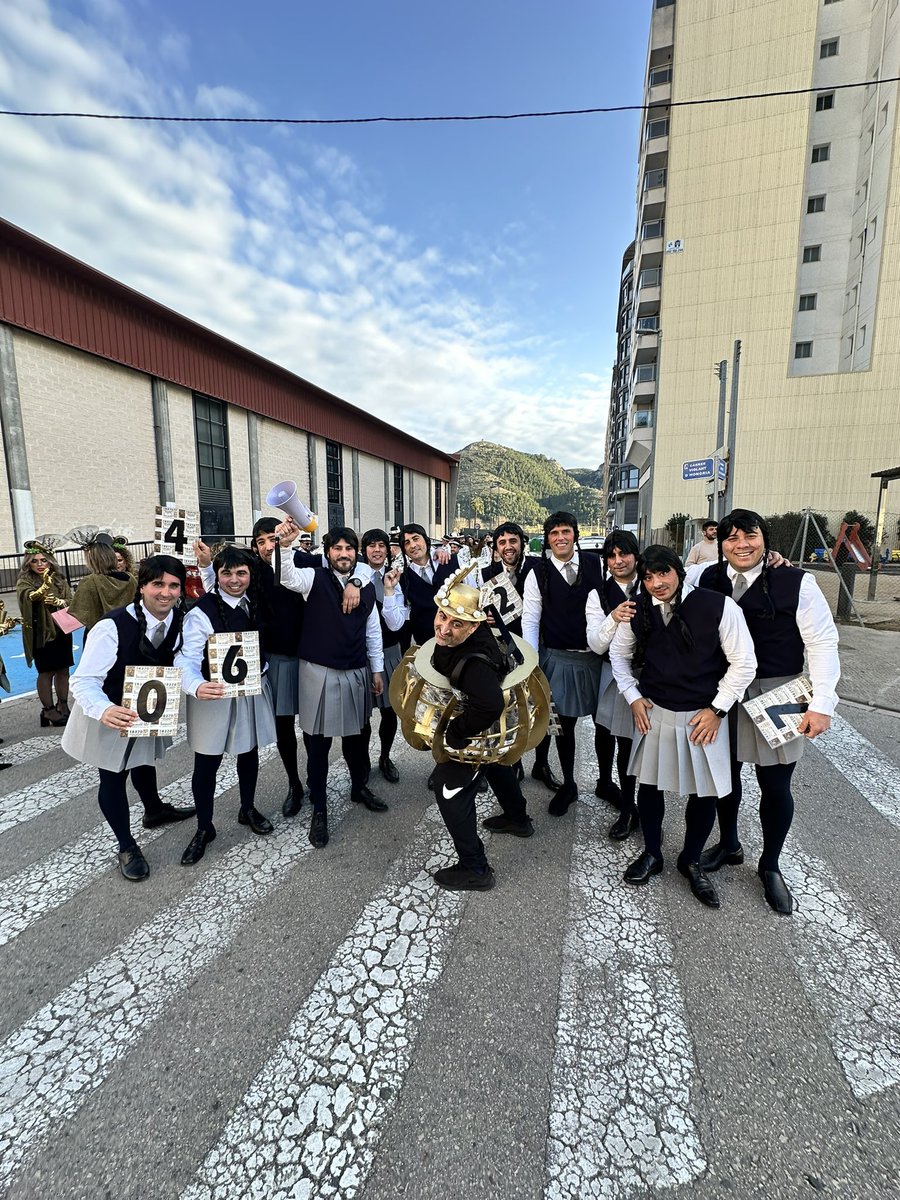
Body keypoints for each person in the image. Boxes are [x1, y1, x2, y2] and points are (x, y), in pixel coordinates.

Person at [692, 510, 841, 915]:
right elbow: (664, 581)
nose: (741, 544)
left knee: (776, 786)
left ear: (765, 540)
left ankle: (770, 865)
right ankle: (729, 843)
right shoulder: (706, 577)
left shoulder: (797, 582)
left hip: (779, 691)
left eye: (750, 536)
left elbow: (823, 643)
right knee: (726, 777)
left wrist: (822, 703)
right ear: (719, 544)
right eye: (731, 537)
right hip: (722, 692)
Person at [610, 545, 757, 908]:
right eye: (647, 577)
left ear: (678, 570)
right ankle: (653, 853)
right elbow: (618, 655)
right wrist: (631, 695)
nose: (656, 583)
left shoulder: (718, 605)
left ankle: (691, 861)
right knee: (649, 786)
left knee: (704, 793)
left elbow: (744, 663)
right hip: (656, 708)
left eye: (663, 574)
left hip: (702, 714)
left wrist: (718, 709)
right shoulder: (639, 608)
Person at [61, 556, 196, 880]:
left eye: (173, 585)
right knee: (112, 777)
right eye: (158, 584)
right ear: (142, 586)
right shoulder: (112, 626)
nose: (166, 592)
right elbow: (83, 680)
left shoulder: (180, 619)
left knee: (143, 760)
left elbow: (180, 661)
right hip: (108, 708)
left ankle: (153, 810)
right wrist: (105, 710)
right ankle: (125, 845)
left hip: (147, 704)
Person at [276, 521, 399, 849]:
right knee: (318, 744)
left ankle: (359, 787)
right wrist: (285, 546)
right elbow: (287, 575)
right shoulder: (312, 577)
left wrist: (376, 671)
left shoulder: (367, 586)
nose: (343, 554)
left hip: (357, 669)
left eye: (348, 548)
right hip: (319, 670)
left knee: (357, 738)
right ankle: (319, 807)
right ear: (327, 552)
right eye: (337, 548)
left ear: (354, 553)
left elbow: (373, 631)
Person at [428, 572, 535, 891]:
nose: (444, 629)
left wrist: (456, 732)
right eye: (442, 617)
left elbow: (488, 704)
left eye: (456, 624)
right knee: (497, 763)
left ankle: (475, 868)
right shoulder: (467, 636)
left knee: (449, 790)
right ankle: (518, 819)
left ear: (474, 626)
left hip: (478, 722)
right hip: (489, 731)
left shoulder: (474, 664)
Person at [176, 544, 277, 865]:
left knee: (248, 751)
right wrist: (196, 685)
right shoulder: (201, 612)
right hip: (213, 694)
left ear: (250, 574)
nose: (235, 579)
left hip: (249, 689)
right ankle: (204, 827)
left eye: (241, 573)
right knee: (207, 763)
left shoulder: (256, 601)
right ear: (217, 575)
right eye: (227, 573)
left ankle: (247, 807)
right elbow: (187, 657)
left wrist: (264, 670)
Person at [522, 512, 605, 816]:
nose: (560, 537)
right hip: (558, 657)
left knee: (604, 724)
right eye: (554, 532)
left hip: (596, 658)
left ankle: (606, 781)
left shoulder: (597, 564)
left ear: (575, 535)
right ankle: (569, 784)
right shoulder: (539, 572)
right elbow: (530, 619)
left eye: (565, 531)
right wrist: (532, 663)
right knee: (563, 726)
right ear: (547, 538)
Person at [480, 520, 562, 790]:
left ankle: (542, 763)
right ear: (495, 547)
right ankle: (514, 763)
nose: (507, 547)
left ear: (522, 543)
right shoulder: (485, 572)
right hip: (502, 650)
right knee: (510, 708)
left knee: (544, 706)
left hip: (536, 647)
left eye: (512, 541)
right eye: (501, 542)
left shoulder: (538, 569)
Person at [586, 531, 641, 840]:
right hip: (613, 670)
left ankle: (639, 802)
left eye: (625, 554)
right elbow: (595, 643)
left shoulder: (653, 580)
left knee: (640, 741)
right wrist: (613, 617)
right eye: (612, 556)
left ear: (636, 554)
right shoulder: (599, 594)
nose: (619, 561)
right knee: (614, 734)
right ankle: (624, 804)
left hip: (654, 674)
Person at [361, 528, 407, 784]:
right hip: (361, 655)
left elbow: (396, 624)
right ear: (364, 550)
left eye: (382, 545)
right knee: (363, 715)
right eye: (371, 545)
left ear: (388, 550)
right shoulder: (354, 576)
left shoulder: (396, 577)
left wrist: (390, 590)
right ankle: (364, 761)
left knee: (390, 712)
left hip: (390, 652)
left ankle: (385, 757)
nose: (377, 550)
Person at [16, 538, 74, 727]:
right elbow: (27, 598)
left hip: (61, 628)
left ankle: (63, 705)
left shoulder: (59, 579)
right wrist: (41, 591)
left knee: (63, 670)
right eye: (35, 561)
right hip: (40, 631)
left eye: (44, 560)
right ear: (28, 563)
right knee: (46, 671)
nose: (40, 564)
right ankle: (48, 710)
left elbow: (70, 600)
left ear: (50, 560)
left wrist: (58, 602)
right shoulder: (25, 581)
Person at [399, 523, 457, 646]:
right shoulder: (403, 579)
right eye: (407, 542)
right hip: (426, 642)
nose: (413, 545)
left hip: (458, 638)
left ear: (425, 540)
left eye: (416, 539)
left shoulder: (452, 562)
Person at [67, 533, 135, 635]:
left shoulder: (89, 581)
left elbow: (80, 612)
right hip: (126, 630)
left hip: (99, 633)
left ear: (93, 560)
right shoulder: (130, 578)